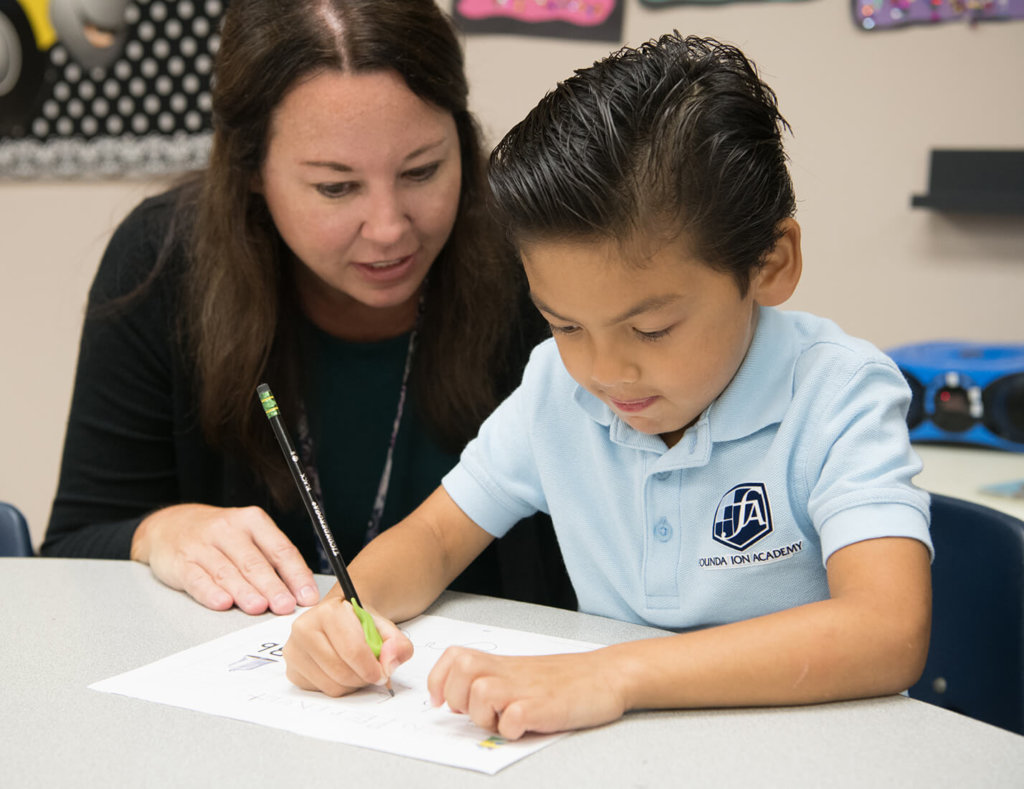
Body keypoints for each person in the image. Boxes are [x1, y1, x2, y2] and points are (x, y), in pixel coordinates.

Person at [281, 33, 934, 739]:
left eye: (650, 330)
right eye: (563, 325)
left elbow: (887, 630)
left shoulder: (838, 393)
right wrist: (344, 614)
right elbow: (437, 538)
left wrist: (614, 673)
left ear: (771, 264)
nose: (604, 372)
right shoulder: (555, 392)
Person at [42, 0, 573, 616]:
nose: (388, 228)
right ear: (251, 170)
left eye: (422, 171)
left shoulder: (539, 262)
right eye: (336, 187)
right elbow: (73, 551)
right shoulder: (162, 261)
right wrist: (160, 532)